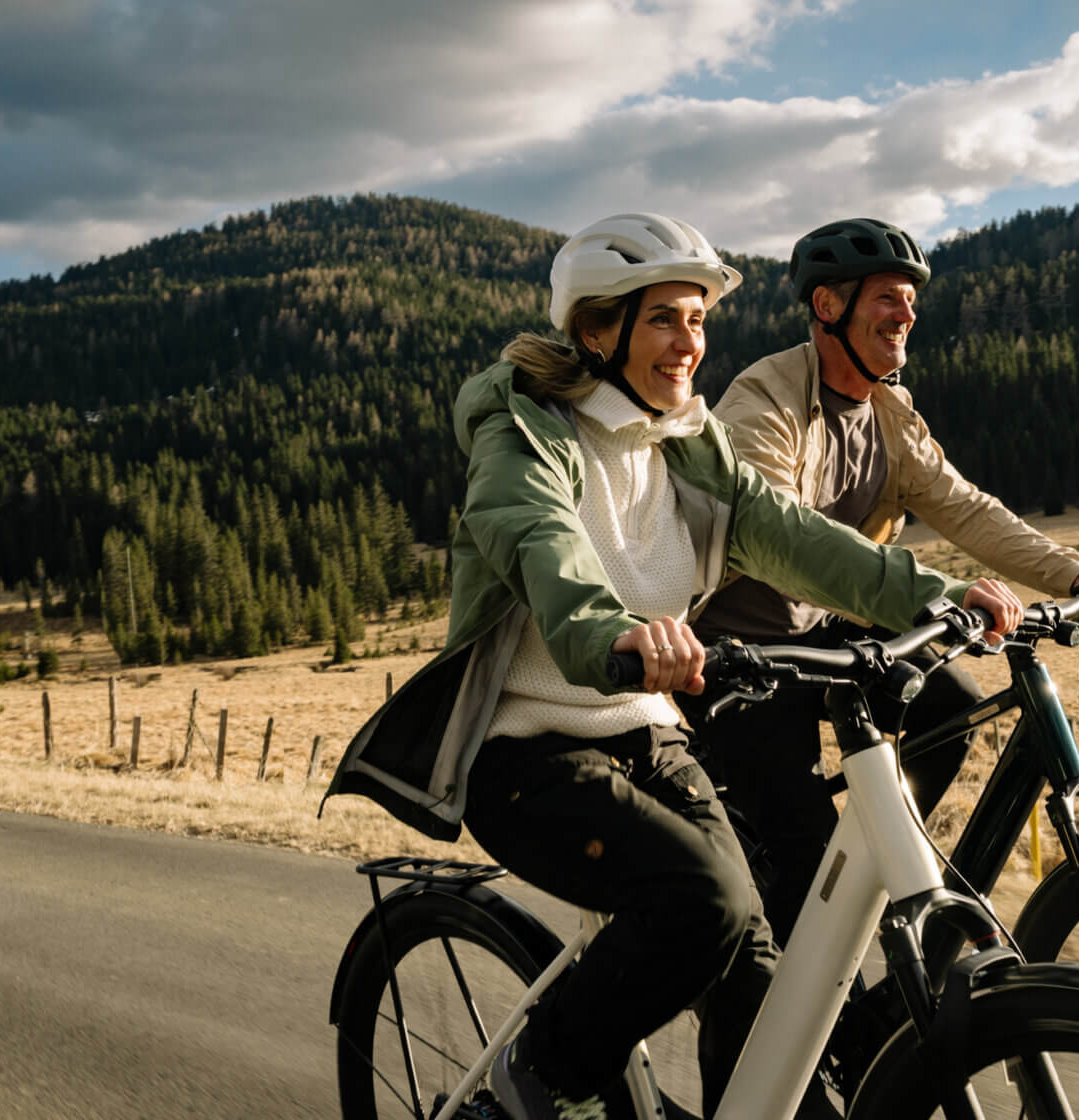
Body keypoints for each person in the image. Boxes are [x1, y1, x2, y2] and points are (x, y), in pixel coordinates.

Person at [324, 212, 1023, 1120]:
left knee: (765, 982)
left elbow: (796, 537)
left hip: (649, 736)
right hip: (529, 751)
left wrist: (933, 596)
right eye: (664, 320)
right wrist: (612, 634)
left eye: (698, 320)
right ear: (596, 329)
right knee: (707, 905)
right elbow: (545, 548)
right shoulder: (523, 435)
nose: (689, 344)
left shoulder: (688, 440)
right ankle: (523, 1089)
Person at [683, 217, 1079, 943]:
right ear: (828, 307)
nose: (906, 316)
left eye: (910, 301)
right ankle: (793, 964)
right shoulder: (762, 402)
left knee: (948, 704)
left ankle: (884, 870)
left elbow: (964, 506)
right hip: (742, 656)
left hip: (826, 625)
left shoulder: (889, 410)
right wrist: (937, 592)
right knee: (801, 880)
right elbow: (785, 539)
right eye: (888, 299)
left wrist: (1078, 574)